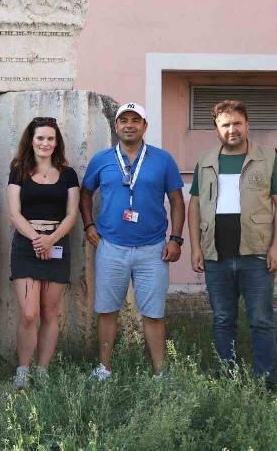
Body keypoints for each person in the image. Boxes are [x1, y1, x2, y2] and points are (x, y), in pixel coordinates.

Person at [188, 100, 277, 387]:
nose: (231, 129)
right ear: (216, 129)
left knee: (261, 320)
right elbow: (194, 205)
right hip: (216, 255)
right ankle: (228, 381)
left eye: (236, 123)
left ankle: (265, 383)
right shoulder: (205, 160)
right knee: (222, 320)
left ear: (246, 125)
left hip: (256, 255)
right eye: (225, 125)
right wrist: (196, 247)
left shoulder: (268, 157)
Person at [80, 102, 185, 379]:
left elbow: (176, 200)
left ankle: (161, 372)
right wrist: (88, 224)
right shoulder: (101, 159)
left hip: (153, 249)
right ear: (116, 127)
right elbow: (85, 193)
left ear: (144, 126)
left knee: (153, 313)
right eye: (123, 120)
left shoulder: (163, 160)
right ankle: (104, 368)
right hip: (111, 247)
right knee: (107, 310)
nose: (129, 124)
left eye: (135, 120)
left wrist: (175, 238)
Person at [7, 116, 79, 389]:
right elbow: (14, 212)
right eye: (40, 138)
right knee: (29, 313)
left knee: (49, 312)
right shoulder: (19, 170)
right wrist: (38, 239)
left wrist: (51, 240)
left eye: (50, 138)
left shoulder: (68, 174)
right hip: (27, 244)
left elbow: (72, 214)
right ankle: (23, 370)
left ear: (56, 141)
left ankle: (43, 370)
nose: (45, 143)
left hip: (58, 243)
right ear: (31, 140)